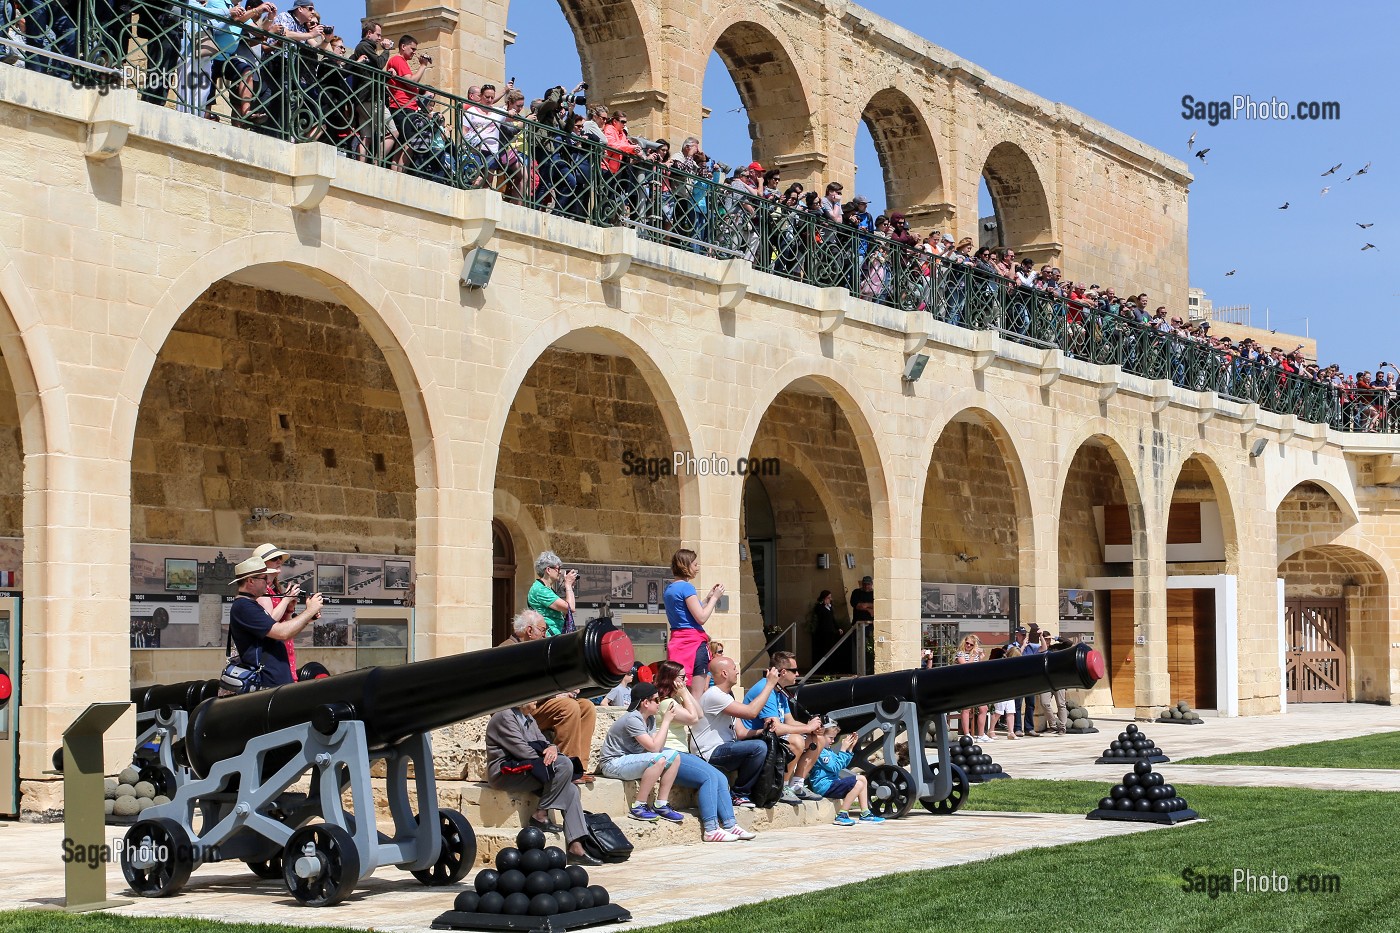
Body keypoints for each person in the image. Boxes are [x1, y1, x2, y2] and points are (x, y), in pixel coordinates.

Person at [485, 704, 602, 865]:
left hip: (529, 768)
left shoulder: (529, 717)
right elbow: (522, 750)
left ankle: (576, 847)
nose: (538, 702)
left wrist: (553, 748)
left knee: (572, 790)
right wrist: (551, 759)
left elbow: (543, 742)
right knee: (563, 765)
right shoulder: (505, 716)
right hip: (506, 772)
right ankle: (540, 814)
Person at [652, 661, 756, 841]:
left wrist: (684, 694)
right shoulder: (667, 703)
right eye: (682, 678)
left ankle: (730, 824)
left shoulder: (676, 700)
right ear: (672, 679)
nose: (685, 681)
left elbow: (699, 714)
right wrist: (685, 693)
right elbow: (693, 718)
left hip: (681, 754)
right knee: (708, 777)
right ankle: (711, 828)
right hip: (671, 753)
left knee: (721, 778)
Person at [497, 610, 597, 782]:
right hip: (520, 713)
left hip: (538, 704)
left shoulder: (531, 649)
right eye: (543, 630)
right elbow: (520, 692)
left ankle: (580, 766)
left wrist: (565, 689)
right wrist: (555, 695)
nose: (546, 634)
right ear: (530, 631)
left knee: (587, 707)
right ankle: (567, 767)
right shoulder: (508, 651)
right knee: (568, 707)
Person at [688, 656, 780, 808]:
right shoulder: (715, 695)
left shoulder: (726, 696)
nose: (737, 672)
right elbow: (751, 712)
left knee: (764, 744)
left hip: (724, 748)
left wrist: (762, 730)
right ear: (724, 673)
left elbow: (742, 733)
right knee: (758, 748)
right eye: (734, 668)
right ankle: (738, 794)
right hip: (709, 752)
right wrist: (769, 685)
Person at [227, 555, 324, 687]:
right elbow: (281, 633)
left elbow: (283, 635)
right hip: (266, 684)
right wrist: (309, 611)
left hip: (275, 682)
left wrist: (304, 616)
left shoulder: (250, 605)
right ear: (250, 581)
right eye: (264, 578)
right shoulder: (244, 606)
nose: (268, 582)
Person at [742, 651, 823, 803]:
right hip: (759, 738)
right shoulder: (765, 689)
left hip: (773, 738)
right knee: (797, 741)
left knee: (819, 738)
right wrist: (806, 728)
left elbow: (790, 721)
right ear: (784, 672)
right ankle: (781, 787)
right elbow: (776, 728)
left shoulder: (780, 690)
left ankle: (797, 785)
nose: (797, 674)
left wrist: (811, 728)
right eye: (794, 670)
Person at [597, 683, 684, 824]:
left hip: (630, 760)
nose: (659, 703)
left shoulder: (650, 719)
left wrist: (665, 722)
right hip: (613, 764)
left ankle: (661, 804)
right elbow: (655, 750)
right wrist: (666, 721)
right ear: (645, 703)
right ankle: (638, 806)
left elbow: (658, 746)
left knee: (674, 756)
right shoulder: (633, 718)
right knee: (659, 759)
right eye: (656, 700)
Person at [664, 548, 725, 707]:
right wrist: (716, 598)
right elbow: (701, 617)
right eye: (695, 564)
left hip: (677, 642)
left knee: (678, 689)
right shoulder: (687, 587)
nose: (697, 567)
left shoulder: (670, 589)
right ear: (686, 565)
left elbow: (687, 612)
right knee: (697, 694)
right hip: (693, 643)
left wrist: (707, 598)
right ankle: (696, 726)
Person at [808, 722, 884, 825]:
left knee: (862, 779)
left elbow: (842, 765)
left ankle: (865, 813)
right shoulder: (820, 752)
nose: (833, 741)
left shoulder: (828, 751)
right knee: (858, 783)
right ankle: (842, 814)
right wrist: (843, 749)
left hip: (832, 783)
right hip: (824, 786)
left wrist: (849, 749)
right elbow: (835, 767)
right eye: (830, 738)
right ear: (821, 736)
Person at [250, 542, 303, 681]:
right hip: (271, 652)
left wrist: (290, 608)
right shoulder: (262, 591)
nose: (279, 561)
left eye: (279, 558)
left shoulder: (273, 590)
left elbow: (285, 622)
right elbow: (269, 622)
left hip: (283, 647)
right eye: (274, 559)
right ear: (262, 564)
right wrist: (286, 600)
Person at [528, 551, 576, 636]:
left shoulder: (545, 588)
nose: (560, 572)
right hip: (550, 638)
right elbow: (570, 608)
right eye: (558, 569)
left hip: (554, 636)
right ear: (548, 570)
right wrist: (568, 584)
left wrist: (570, 588)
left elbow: (565, 611)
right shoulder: (540, 590)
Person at [954, 635, 990, 741]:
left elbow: (977, 669)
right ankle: (967, 734)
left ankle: (981, 734)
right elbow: (965, 667)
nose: (968, 646)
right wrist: (973, 657)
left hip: (975, 683)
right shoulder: (960, 653)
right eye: (967, 643)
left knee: (983, 708)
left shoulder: (974, 655)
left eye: (971, 644)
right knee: (966, 709)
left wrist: (980, 658)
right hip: (965, 683)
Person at [1036, 632, 1069, 734]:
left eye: (1048, 639)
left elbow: (1069, 643)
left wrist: (1056, 637)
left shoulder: (1057, 648)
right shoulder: (1040, 650)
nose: (1048, 641)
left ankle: (1062, 727)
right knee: (1044, 703)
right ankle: (1053, 725)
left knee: (1061, 704)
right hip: (1045, 681)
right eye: (1045, 639)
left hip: (1058, 680)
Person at [989, 645, 1021, 739]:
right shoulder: (1003, 664)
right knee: (999, 711)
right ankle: (991, 730)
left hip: (1010, 690)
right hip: (1001, 691)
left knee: (1011, 711)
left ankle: (1011, 732)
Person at [810, 590, 839, 670]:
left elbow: (833, 619)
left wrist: (838, 627)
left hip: (831, 631)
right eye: (828, 598)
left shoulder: (830, 607)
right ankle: (824, 668)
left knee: (831, 649)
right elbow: (819, 616)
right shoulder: (819, 607)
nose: (830, 599)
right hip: (823, 632)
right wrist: (823, 604)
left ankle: (831, 667)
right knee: (824, 650)